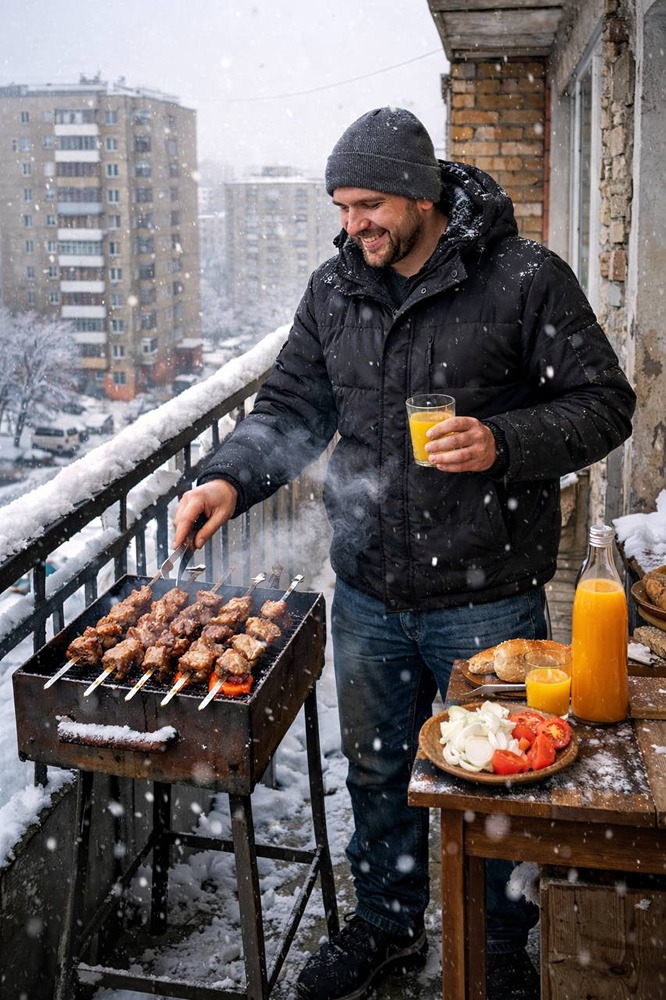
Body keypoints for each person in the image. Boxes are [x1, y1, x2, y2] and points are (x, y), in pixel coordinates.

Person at [173, 107, 636, 1000]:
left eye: (371, 204)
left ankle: (502, 943)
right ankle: (386, 924)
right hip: (371, 593)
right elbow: (291, 410)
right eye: (343, 207)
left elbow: (603, 404)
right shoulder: (334, 289)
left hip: (488, 593)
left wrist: (500, 441)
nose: (355, 225)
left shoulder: (525, 278)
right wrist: (228, 478)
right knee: (380, 769)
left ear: (422, 195)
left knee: (501, 774)